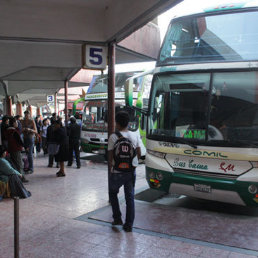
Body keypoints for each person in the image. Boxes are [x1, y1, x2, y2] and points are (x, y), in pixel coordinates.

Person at [108, 111, 141, 232]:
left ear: (117, 123)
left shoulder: (113, 136)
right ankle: (129, 225)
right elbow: (139, 153)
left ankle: (117, 218)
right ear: (128, 123)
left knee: (112, 194)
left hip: (117, 171)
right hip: (130, 171)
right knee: (129, 197)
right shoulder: (134, 135)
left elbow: (110, 156)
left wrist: (112, 168)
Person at [6, 117, 28, 183]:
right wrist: (25, 147)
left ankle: (18, 178)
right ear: (13, 123)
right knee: (19, 164)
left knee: (15, 164)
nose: (17, 124)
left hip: (11, 149)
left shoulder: (7, 130)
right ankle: (21, 178)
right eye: (16, 122)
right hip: (16, 149)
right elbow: (19, 141)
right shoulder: (14, 131)